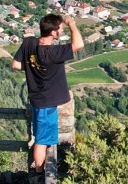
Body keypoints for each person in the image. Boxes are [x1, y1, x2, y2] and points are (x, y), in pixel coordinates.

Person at [13, 12, 82, 174]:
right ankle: (39, 173)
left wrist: (32, 67)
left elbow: (15, 64)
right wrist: (71, 24)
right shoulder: (53, 53)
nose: (62, 32)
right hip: (48, 103)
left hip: (36, 100)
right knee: (42, 141)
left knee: (41, 137)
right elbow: (78, 44)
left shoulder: (29, 42)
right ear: (53, 32)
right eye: (61, 29)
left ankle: (40, 171)